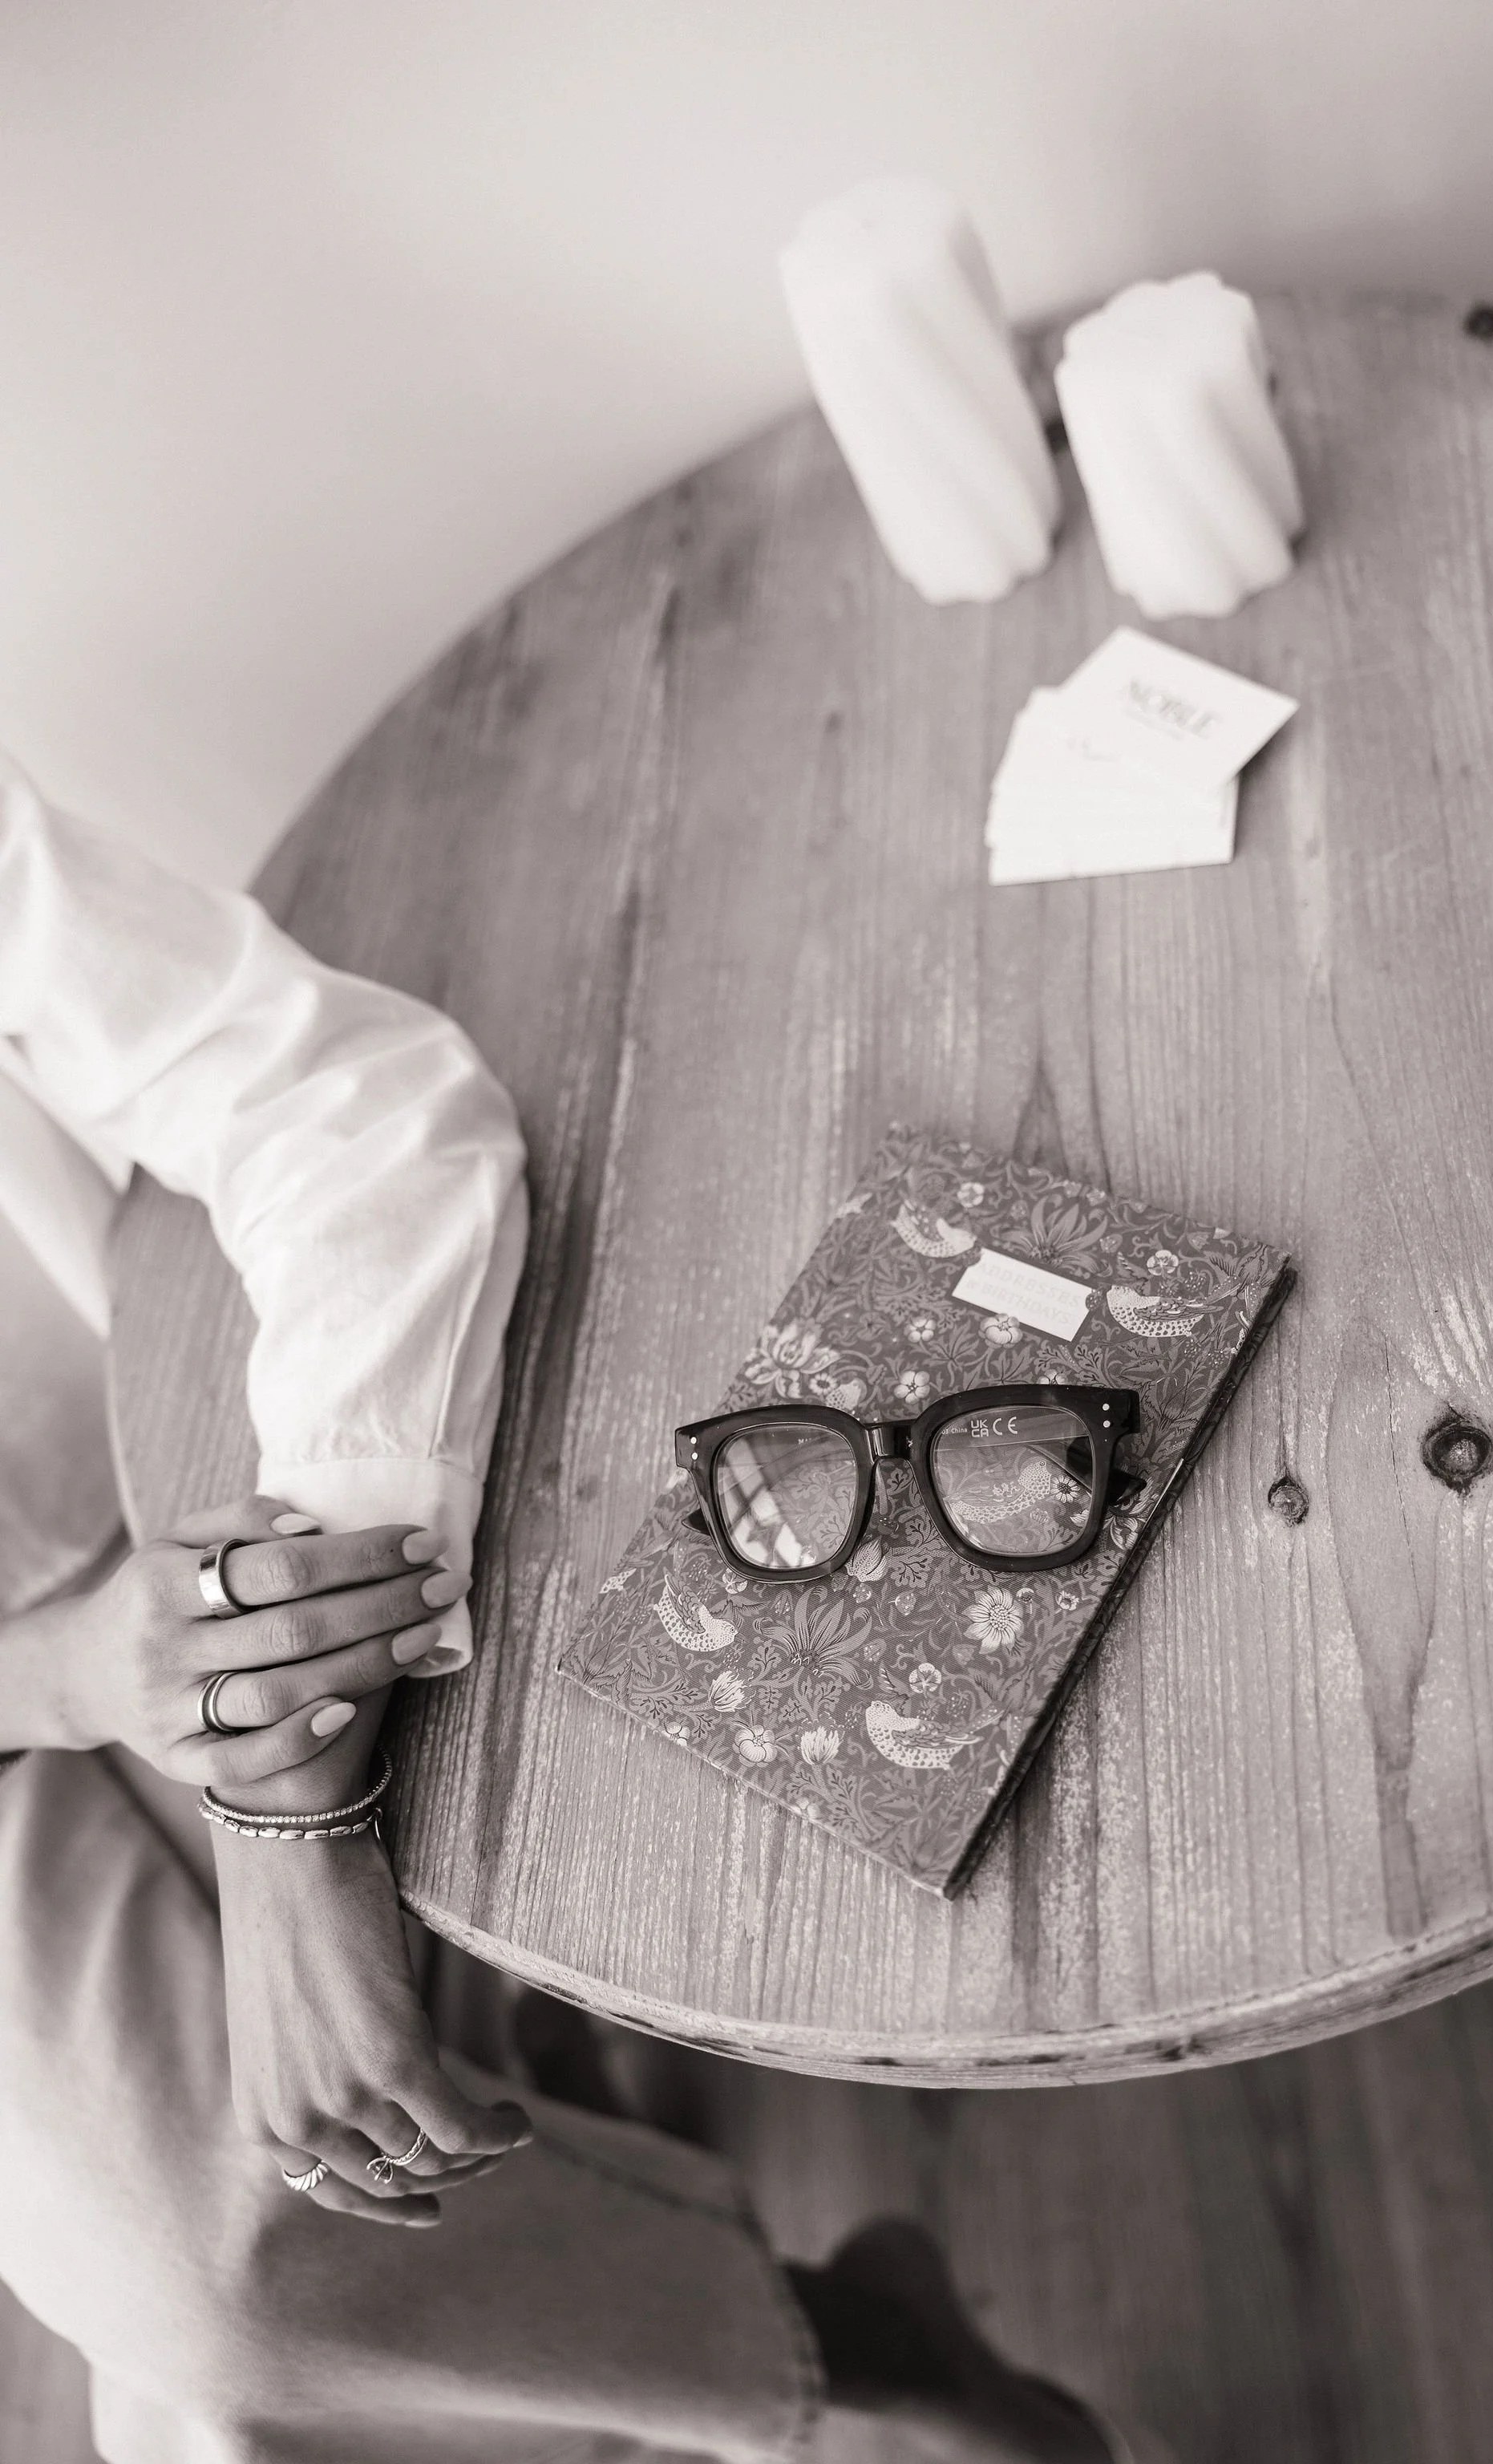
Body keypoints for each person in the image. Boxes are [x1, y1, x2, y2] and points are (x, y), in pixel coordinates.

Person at [0, 754, 1166, 2464]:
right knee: (215, 2321)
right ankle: (861, 2355)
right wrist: (64, 1680)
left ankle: (848, 2346)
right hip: (58, 1670)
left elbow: (350, 1114)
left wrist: (284, 1812)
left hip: (165, 1521)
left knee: (243, 2258)